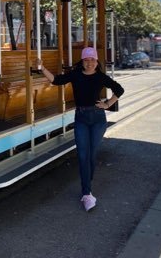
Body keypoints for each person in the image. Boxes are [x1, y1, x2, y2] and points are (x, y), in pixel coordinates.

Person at [37, 47, 124, 212]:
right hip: (81, 119)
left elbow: (119, 90)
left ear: (97, 62)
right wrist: (41, 68)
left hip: (98, 119)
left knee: (91, 154)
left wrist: (107, 104)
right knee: (83, 155)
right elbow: (56, 80)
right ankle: (87, 193)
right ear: (82, 62)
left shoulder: (100, 76)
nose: (90, 63)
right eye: (86, 60)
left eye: (92, 60)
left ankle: (87, 183)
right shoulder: (76, 75)